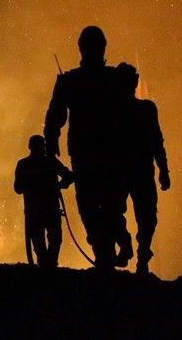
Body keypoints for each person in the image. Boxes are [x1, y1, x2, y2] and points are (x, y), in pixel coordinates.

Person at [44, 25, 138, 268]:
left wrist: (52, 138)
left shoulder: (73, 80)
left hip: (91, 152)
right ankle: (108, 250)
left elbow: (56, 113)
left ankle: (106, 252)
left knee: (94, 205)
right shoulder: (111, 78)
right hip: (107, 152)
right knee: (105, 205)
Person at [125, 91, 170, 275]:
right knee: (114, 216)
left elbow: (156, 140)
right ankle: (126, 249)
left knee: (148, 217)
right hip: (126, 171)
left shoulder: (146, 109)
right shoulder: (112, 109)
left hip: (139, 170)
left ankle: (141, 255)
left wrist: (163, 170)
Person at [14, 134, 74, 268]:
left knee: (42, 240)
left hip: (36, 209)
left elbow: (18, 188)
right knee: (51, 239)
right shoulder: (50, 162)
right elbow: (69, 176)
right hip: (47, 208)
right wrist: (58, 185)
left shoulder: (24, 164)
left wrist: (57, 185)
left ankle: (46, 265)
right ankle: (49, 265)